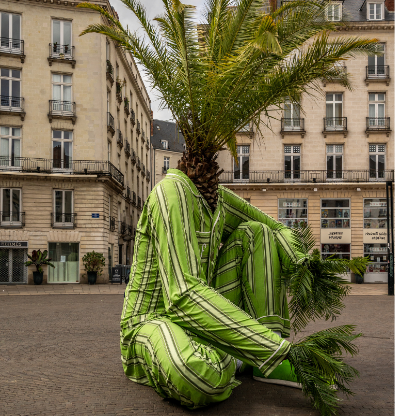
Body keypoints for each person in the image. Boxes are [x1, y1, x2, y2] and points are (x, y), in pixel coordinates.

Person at [119, 169, 350, 409]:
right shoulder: (169, 194)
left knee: (257, 232)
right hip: (151, 318)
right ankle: (248, 354)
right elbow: (182, 294)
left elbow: (277, 228)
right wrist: (274, 349)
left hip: (199, 312)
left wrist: (303, 264)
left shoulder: (216, 198)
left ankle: (260, 361)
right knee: (196, 375)